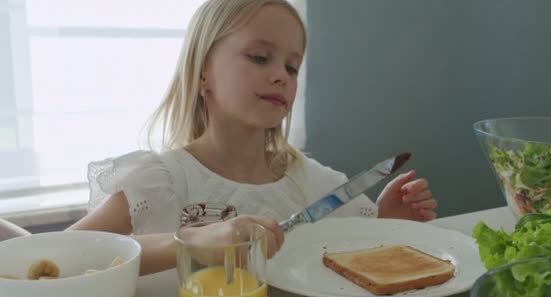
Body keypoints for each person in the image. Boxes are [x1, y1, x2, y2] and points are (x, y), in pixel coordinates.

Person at [68, 0, 438, 276]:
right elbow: (62, 256)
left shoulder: (315, 183)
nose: (282, 75)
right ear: (202, 74)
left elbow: (355, 260)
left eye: (292, 67)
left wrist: (389, 224)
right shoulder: (158, 182)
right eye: (261, 57)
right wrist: (190, 242)